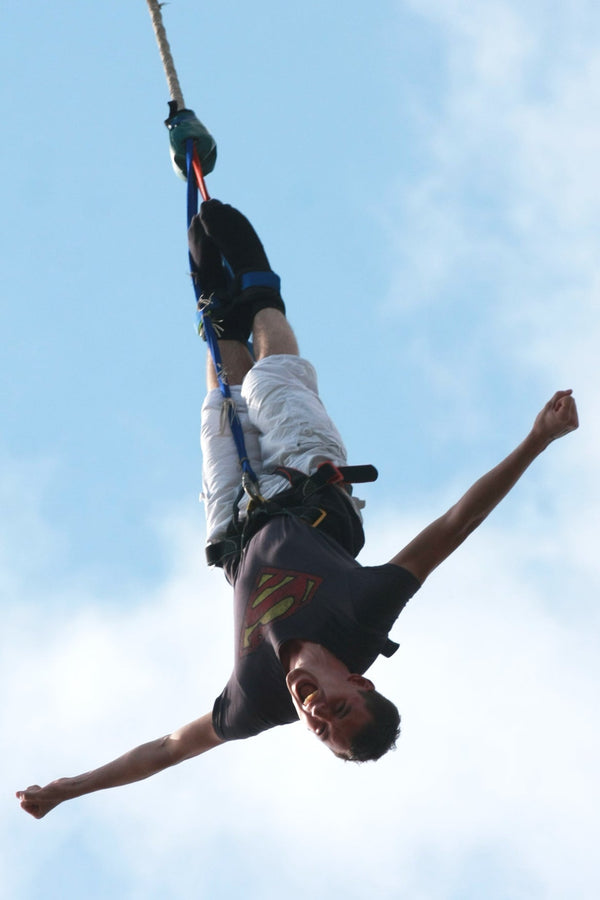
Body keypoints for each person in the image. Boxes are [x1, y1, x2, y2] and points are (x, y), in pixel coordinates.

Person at [17, 201, 579, 820]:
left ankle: (219, 314)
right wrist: (536, 441)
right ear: (359, 683)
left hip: (234, 524)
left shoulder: (257, 700)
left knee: (224, 400)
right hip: (308, 483)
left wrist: (70, 788)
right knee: (270, 382)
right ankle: (259, 289)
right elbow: (454, 526)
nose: (316, 712)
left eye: (320, 728)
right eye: (339, 709)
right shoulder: (361, 621)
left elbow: (169, 748)